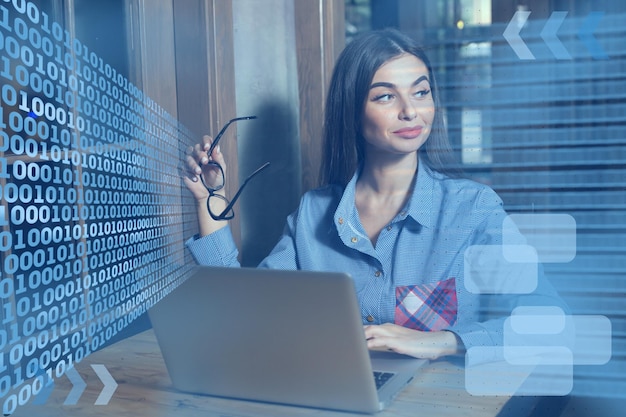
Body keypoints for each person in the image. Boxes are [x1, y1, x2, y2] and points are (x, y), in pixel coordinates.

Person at [182, 29, 568, 362]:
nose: (410, 112)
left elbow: (551, 320)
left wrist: (443, 342)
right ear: (352, 112)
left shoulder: (474, 211)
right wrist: (208, 199)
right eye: (385, 97)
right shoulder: (312, 214)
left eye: (420, 92)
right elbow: (242, 316)